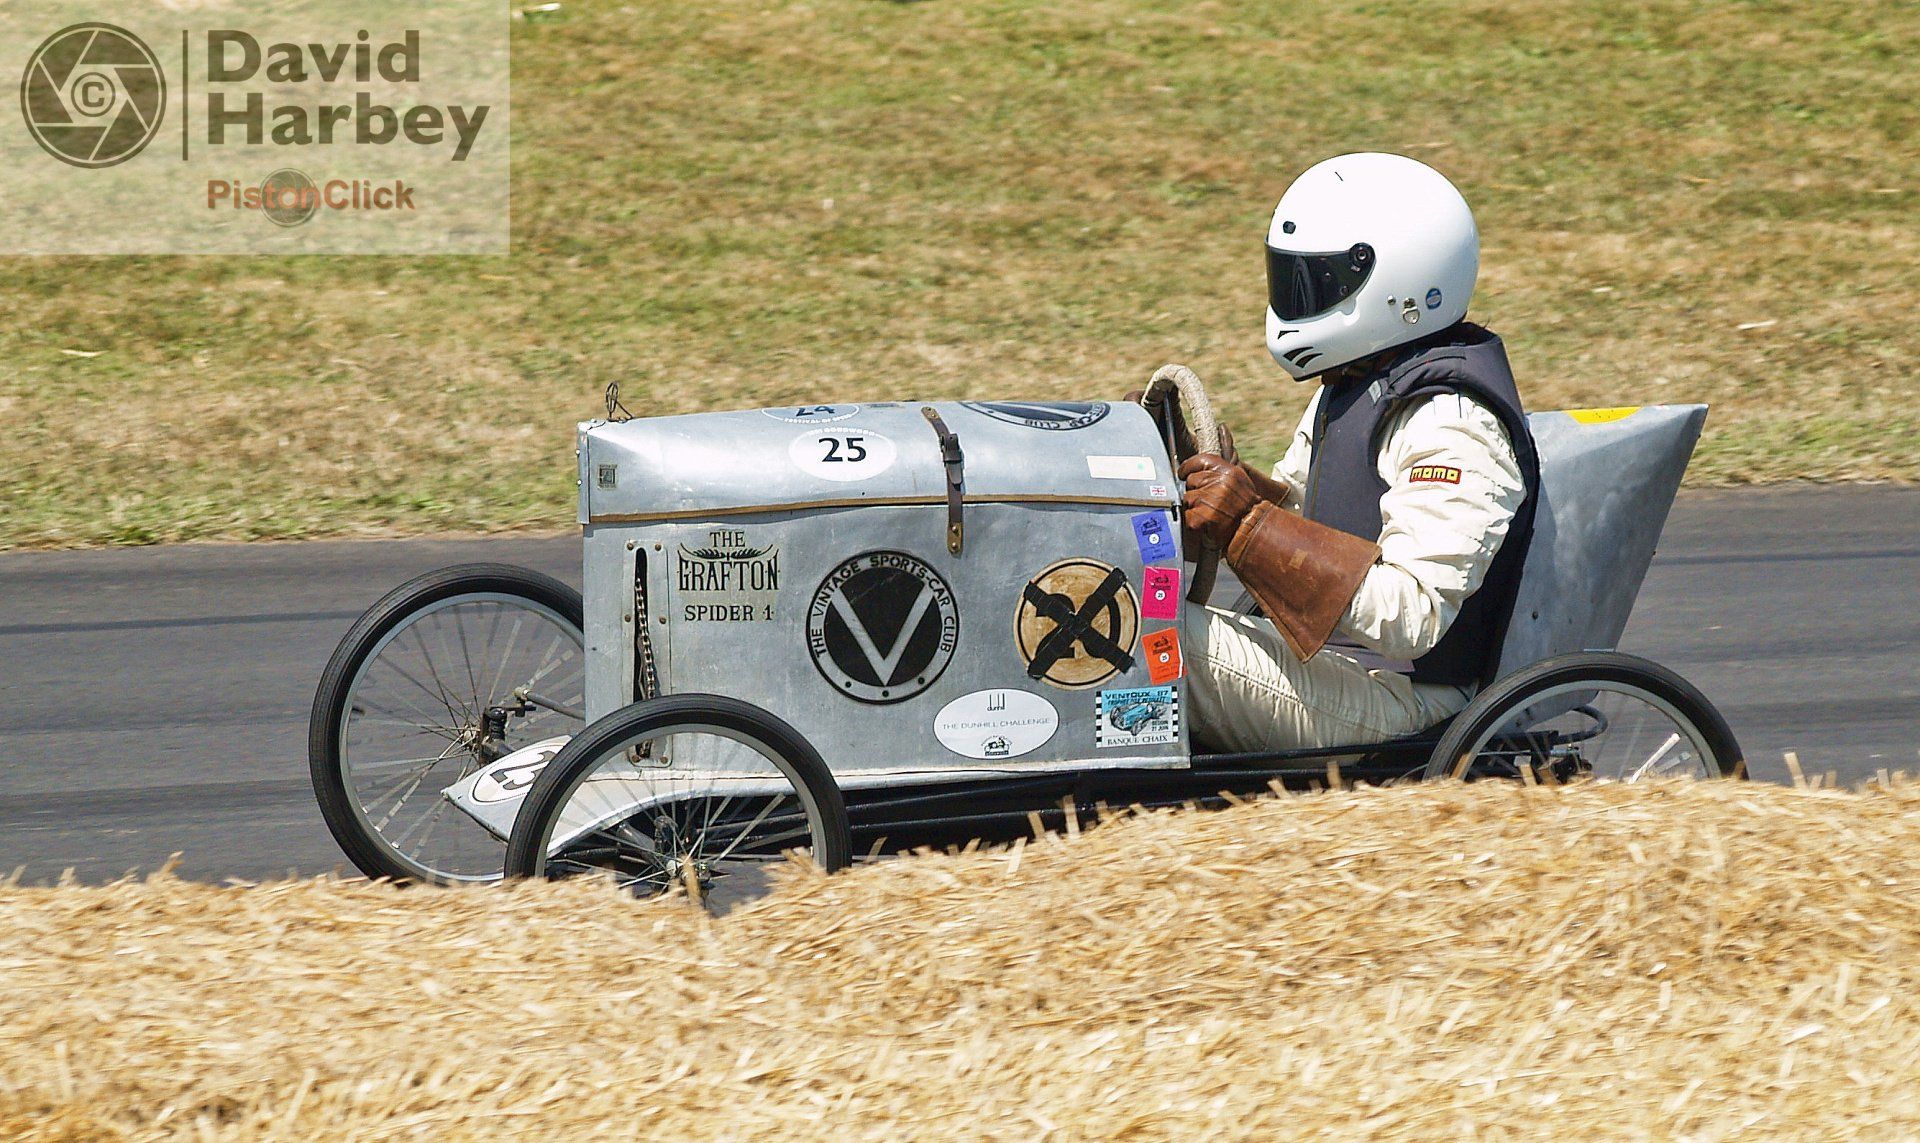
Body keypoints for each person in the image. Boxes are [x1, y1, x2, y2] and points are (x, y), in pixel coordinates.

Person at [1176, 152, 1540, 752]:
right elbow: (1302, 519)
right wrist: (1213, 484)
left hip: (1403, 702)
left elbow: (1413, 616)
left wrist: (1245, 522)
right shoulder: (1355, 384)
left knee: (1147, 632)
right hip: (1329, 665)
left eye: (1316, 284)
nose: (1298, 299)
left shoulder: (1450, 422)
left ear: (1398, 284)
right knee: (1118, 592)